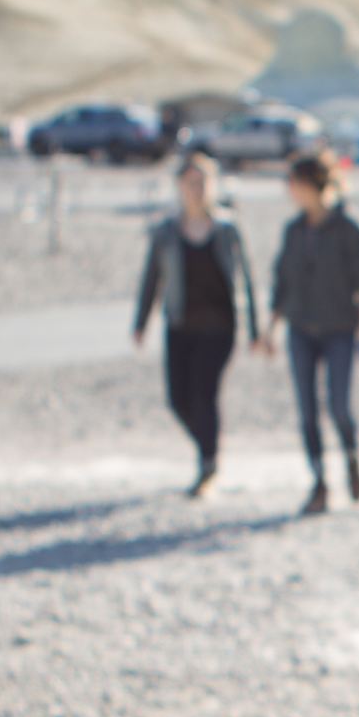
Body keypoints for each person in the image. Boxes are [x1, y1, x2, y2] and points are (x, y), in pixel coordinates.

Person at [128, 153, 257, 495]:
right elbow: (151, 278)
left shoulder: (227, 229)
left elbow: (247, 281)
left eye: (203, 183)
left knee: (205, 392)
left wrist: (255, 329)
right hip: (180, 325)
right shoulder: (166, 232)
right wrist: (141, 322)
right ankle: (208, 448)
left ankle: (208, 463)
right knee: (178, 398)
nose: (197, 190)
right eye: (191, 184)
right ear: (179, 187)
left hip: (220, 327)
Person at [267, 148, 359, 514]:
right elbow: (281, 281)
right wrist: (270, 329)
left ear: (311, 185)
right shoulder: (294, 231)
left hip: (339, 330)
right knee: (306, 410)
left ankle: (351, 457)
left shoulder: (348, 229)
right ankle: (318, 482)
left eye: (294, 184)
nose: (290, 191)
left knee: (338, 405)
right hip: (300, 329)